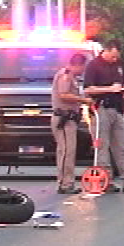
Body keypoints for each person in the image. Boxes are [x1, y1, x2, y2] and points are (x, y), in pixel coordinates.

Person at [83, 39, 124, 192]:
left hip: (117, 109)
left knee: (122, 146)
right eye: (112, 56)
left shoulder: (119, 64)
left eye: (116, 56)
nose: (114, 59)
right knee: (102, 147)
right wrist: (109, 89)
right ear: (106, 50)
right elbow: (88, 89)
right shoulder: (94, 65)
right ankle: (106, 181)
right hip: (101, 109)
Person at [52, 53, 92, 194]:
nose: (83, 70)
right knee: (65, 151)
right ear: (78, 65)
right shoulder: (65, 75)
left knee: (70, 151)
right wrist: (83, 100)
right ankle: (64, 183)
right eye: (83, 67)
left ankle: (68, 181)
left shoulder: (73, 77)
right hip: (63, 118)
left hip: (70, 118)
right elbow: (64, 94)